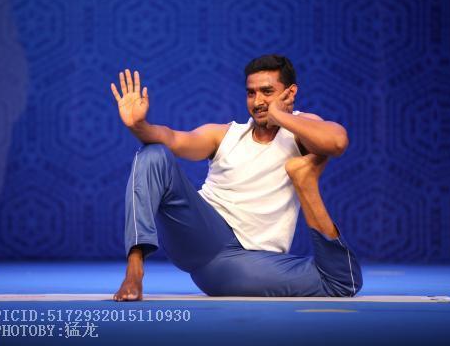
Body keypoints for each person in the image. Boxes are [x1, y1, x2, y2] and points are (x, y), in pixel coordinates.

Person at [109, 54, 362, 300]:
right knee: (154, 154)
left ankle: (305, 182)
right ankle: (135, 266)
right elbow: (172, 139)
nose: (258, 101)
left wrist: (279, 116)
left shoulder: (300, 130)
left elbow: (336, 142)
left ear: (290, 92)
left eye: (267, 92)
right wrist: (138, 126)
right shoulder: (225, 135)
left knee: (340, 281)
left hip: (245, 263)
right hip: (201, 234)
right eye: (251, 93)